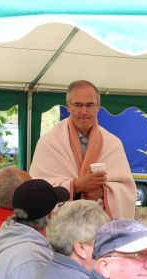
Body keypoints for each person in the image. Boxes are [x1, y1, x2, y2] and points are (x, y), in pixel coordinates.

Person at [29, 80, 136, 219]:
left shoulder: (113, 143)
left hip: (101, 227)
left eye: (90, 105)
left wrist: (104, 192)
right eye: (78, 105)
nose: (84, 111)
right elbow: (37, 190)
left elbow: (127, 190)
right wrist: (77, 185)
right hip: (61, 230)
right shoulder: (49, 142)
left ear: (98, 107)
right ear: (68, 107)